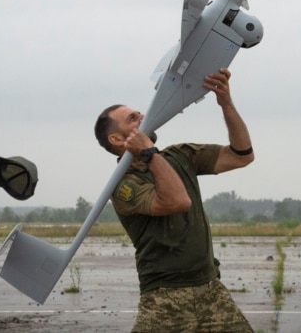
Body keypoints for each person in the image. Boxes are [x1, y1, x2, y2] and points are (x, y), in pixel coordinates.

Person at [94, 68, 255, 332]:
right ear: (117, 139)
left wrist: (225, 103)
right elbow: (177, 201)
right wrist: (148, 152)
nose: (143, 117)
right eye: (133, 119)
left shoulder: (179, 155)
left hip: (211, 288)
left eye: (140, 112)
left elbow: (242, 155)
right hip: (164, 297)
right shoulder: (123, 185)